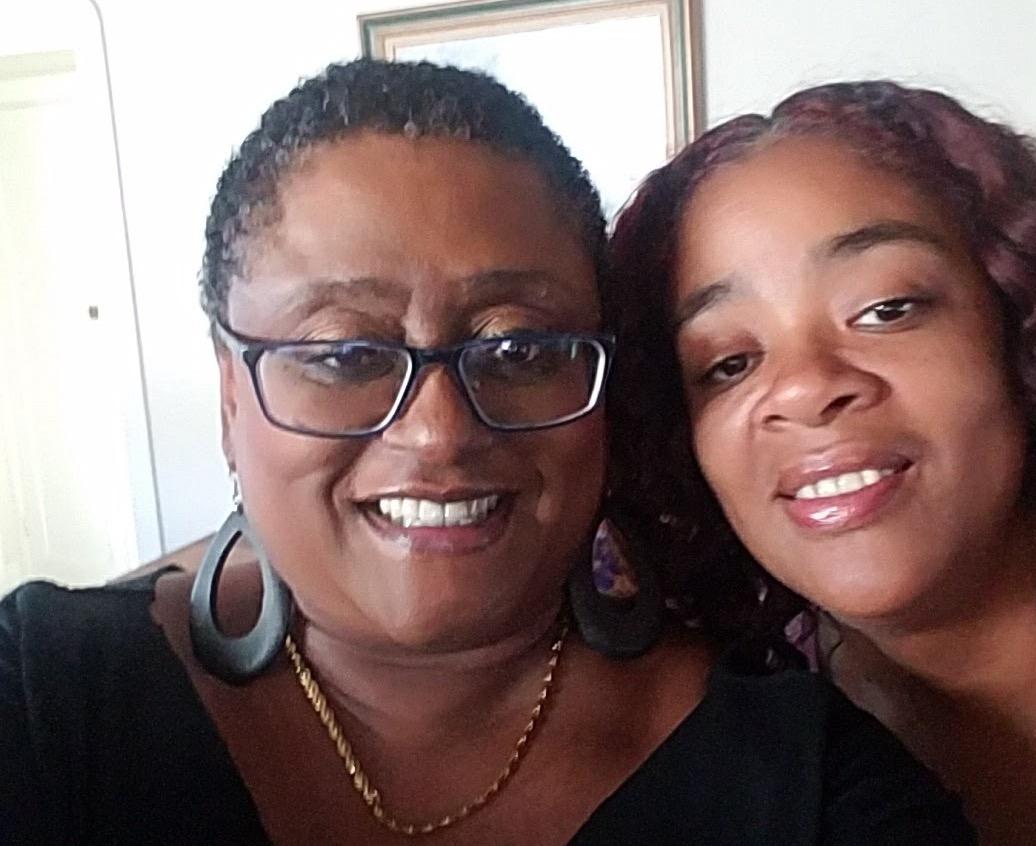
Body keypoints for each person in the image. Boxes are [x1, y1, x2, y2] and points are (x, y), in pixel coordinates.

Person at [0, 61, 973, 845]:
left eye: (519, 350)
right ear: (229, 395)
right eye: (342, 355)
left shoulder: (811, 788)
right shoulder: (50, 702)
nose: (437, 432)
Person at [609, 79, 1036, 845]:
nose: (803, 388)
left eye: (885, 309)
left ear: (1021, 324)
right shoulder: (739, 759)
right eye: (728, 363)